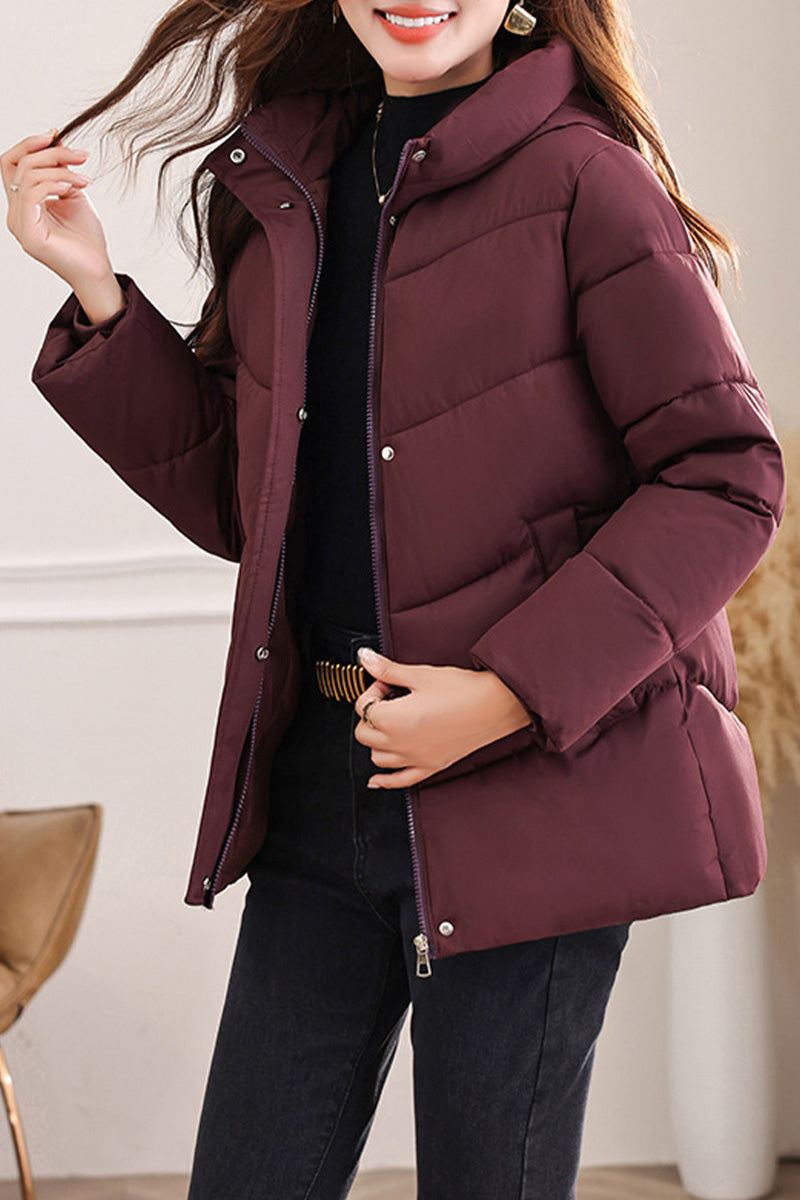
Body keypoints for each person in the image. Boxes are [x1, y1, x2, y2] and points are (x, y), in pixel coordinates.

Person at [3, 1, 785, 1195]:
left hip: (530, 800)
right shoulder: (286, 181)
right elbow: (247, 503)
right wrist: (97, 290)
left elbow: (725, 477)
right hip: (322, 784)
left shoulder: (586, 181)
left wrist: (506, 694)